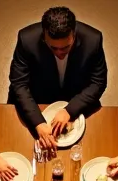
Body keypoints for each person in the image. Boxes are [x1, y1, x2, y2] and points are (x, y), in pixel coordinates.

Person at [8, 7, 108, 151]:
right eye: (53, 48)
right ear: (44, 36)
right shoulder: (26, 39)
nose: (59, 53)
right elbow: (19, 84)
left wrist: (69, 110)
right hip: (35, 104)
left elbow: (98, 82)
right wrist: (38, 123)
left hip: (77, 103)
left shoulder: (93, 39)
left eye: (66, 47)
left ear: (74, 34)